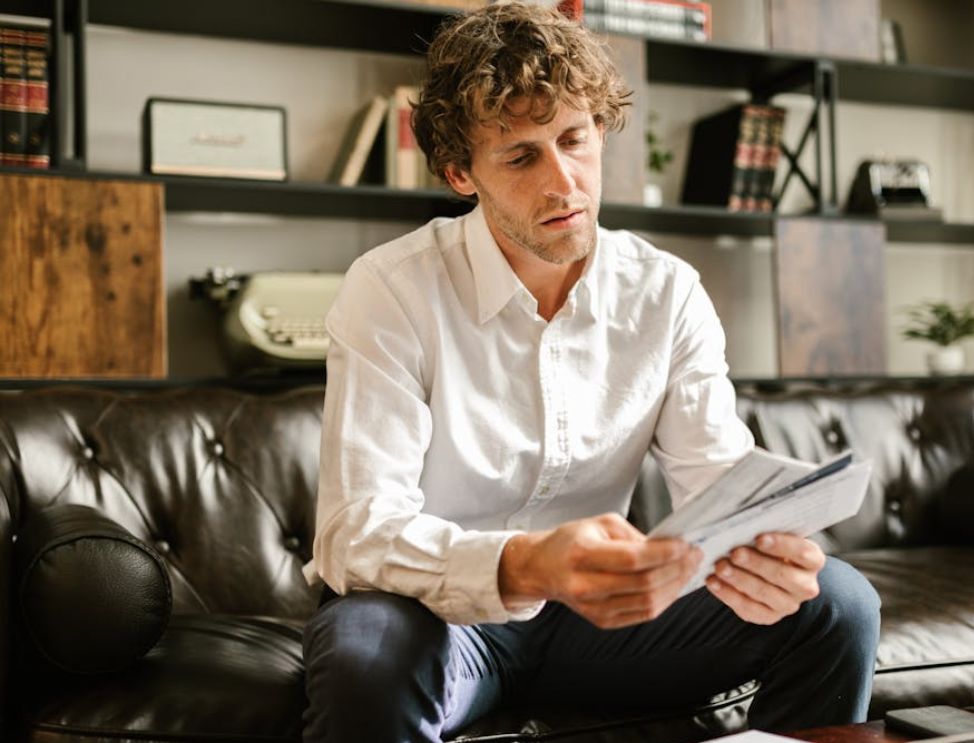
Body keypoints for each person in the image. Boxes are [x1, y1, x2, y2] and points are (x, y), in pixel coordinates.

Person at [301, 4, 880, 742]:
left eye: (574, 140)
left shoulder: (666, 290)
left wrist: (763, 556)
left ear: (598, 132)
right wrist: (525, 565)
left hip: (599, 626)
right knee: (365, 655)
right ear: (459, 173)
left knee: (836, 601)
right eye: (519, 157)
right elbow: (356, 533)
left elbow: (719, 480)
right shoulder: (390, 287)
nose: (562, 182)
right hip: (436, 616)